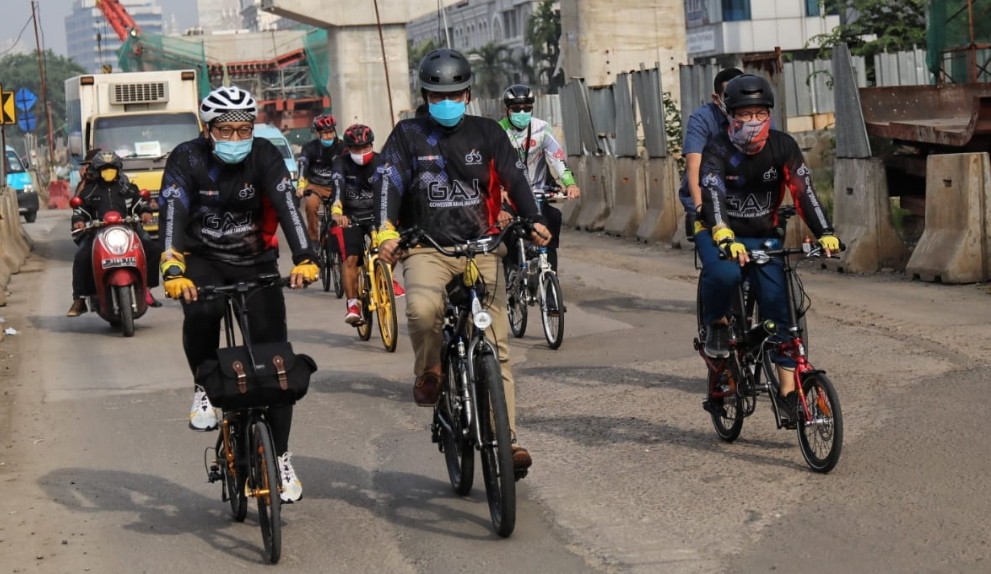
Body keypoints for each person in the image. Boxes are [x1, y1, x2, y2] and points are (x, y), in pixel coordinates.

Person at [376, 48, 551, 472]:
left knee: (497, 346)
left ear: (469, 94)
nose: (446, 102)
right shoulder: (408, 134)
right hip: (426, 247)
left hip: (482, 246)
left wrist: (532, 219)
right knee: (421, 309)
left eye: (454, 94)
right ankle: (430, 367)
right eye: (438, 95)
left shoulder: (488, 133)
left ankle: (507, 441)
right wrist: (385, 229)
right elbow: (390, 181)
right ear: (426, 95)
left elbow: (514, 176)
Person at [157, 86, 319, 503]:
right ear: (206, 129)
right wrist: (171, 262)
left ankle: (281, 457)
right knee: (201, 310)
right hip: (202, 259)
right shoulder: (186, 157)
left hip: (255, 260)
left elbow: (287, 204)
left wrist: (304, 257)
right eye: (225, 131)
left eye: (243, 130)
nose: (234, 139)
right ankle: (203, 387)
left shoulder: (264, 155)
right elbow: (172, 207)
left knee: (276, 363)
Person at [697, 74, 841, 425]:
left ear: (770, 115)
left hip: (764, 237)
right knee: (725, 272)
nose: (752, 122)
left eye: (760, 114)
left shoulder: (783, 146)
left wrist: (824, 232)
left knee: (782, 314)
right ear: (730, 116)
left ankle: (790, 393)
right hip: (719, 233)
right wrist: (723, 235)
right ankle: (716, 324)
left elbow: (803, 190)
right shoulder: (717, 149)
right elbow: (712, 194)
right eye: (744, 115)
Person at [496, 83, 580, 273]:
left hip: (538, 190)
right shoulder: (498, 131)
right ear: (507, 110)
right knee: (507, 226)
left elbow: (557, 157)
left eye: (527, 108)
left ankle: (551, 296)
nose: (522, 112)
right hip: (510, 194)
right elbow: (491, 164)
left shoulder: (542, 129)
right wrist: (499, 190)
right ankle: (510, 270)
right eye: (517, 109)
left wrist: (570, 183)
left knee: (552, 219)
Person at [66, 151, 162, 317]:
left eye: (112, 169)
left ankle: (147, 288)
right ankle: (79, 299)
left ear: (118, 170)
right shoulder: (89, 191)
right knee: (81, 256)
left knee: (153, 249)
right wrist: (78, 221)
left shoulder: (128, 189)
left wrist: (145, 212)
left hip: (129, 228)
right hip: (97, 232)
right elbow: (79, 211)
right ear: (97, 171)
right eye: (104, 169)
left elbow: (141, 203)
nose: (108, 173)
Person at [329, 123, 405, 325]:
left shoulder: (382, 162)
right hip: (349, 217)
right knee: (351, 259)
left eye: (365, 147)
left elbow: (393, 191)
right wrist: (337, 213)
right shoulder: (340, 163)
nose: (361, 152)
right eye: (356, 149)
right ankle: (353, 303)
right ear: (348, 149)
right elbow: (337, 188)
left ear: (372, 144)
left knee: (392, 246)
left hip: (377, 216)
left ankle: (388, 276)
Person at [678, 67, 743, 243]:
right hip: (708, 196)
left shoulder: (757, 116)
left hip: (746, 200)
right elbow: (693, 166)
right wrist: (700, 209)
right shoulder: (702, 119)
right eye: (731, 96)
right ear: (717, 98)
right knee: (720, 266)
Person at [297, 114, 344, 242]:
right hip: (316, 185)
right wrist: (301, 185)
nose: (328, 136)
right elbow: (303, 164)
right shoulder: (309, 147)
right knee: (311, 205)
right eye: (324, 133)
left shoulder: (342, 147)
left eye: (330, 132)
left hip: (337, 185)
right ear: (318, 134)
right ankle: (313, 240)